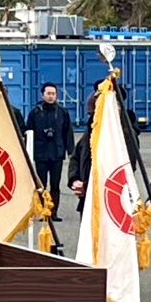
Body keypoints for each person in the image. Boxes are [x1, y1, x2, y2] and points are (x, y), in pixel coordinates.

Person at [26, 82, 74, 220]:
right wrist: (27, 151)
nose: (51, 96)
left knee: (55, 184)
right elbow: (28, 133)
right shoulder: (35, 112)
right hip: (40, 153)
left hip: (57, 153)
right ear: (43, 95)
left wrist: (71, 151)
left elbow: (68, 132)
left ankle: (54, 212)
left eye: (53, 94)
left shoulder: (62, 112)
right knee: (41, 184)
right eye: (48, 93)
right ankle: (43, 212)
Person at [68, 92, 98, 217]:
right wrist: (74, 180)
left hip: (108, 201)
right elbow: (76, 158)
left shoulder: (123, 133)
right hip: (86, 198)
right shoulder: (89, 133)